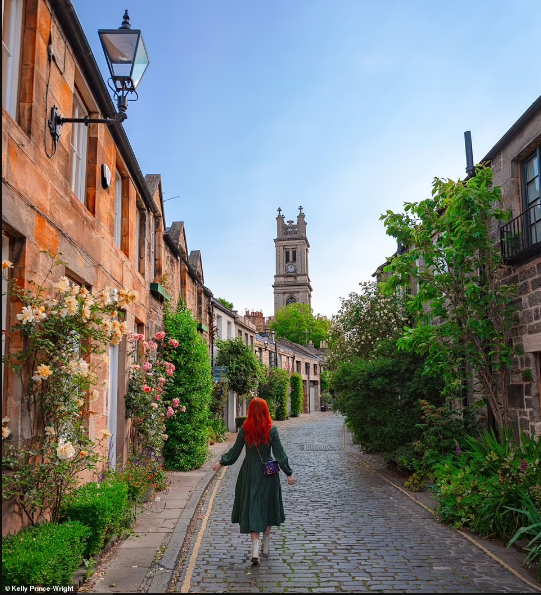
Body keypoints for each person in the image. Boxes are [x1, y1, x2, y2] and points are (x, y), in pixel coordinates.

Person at [212, 397, 296, 564]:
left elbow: (235, 452)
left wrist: (222, 462)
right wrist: (288, 473)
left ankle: (255, 548)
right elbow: (279, 453)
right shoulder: (271, 429)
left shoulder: (245, 428)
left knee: (252, 505)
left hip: (250, 471)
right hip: (268, 472)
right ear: (266, 410)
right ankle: (266, 544)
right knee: (267, 505)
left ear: (250, 411)